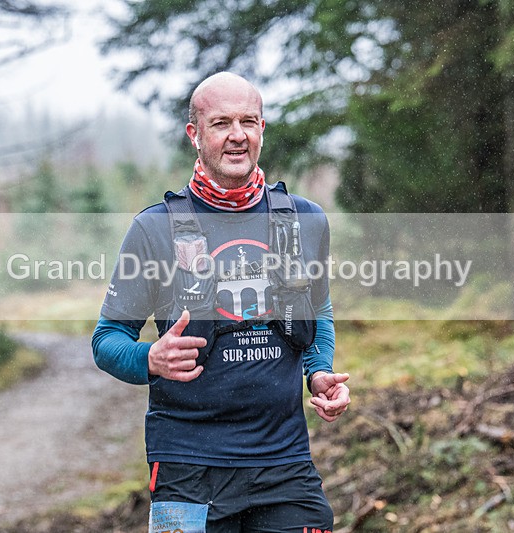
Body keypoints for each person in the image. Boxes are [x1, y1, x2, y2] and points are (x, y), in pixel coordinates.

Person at [92, 72, 350, 533]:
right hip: (188, 467)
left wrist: (319, 372)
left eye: (248, 121)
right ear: (195, 134)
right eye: (221, 123)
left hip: (285, 464)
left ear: (262, 129)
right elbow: (107, 340)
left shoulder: (305, 221)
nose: (237, 135)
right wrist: (149, 357)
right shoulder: (155, 229)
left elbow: (319, 311)